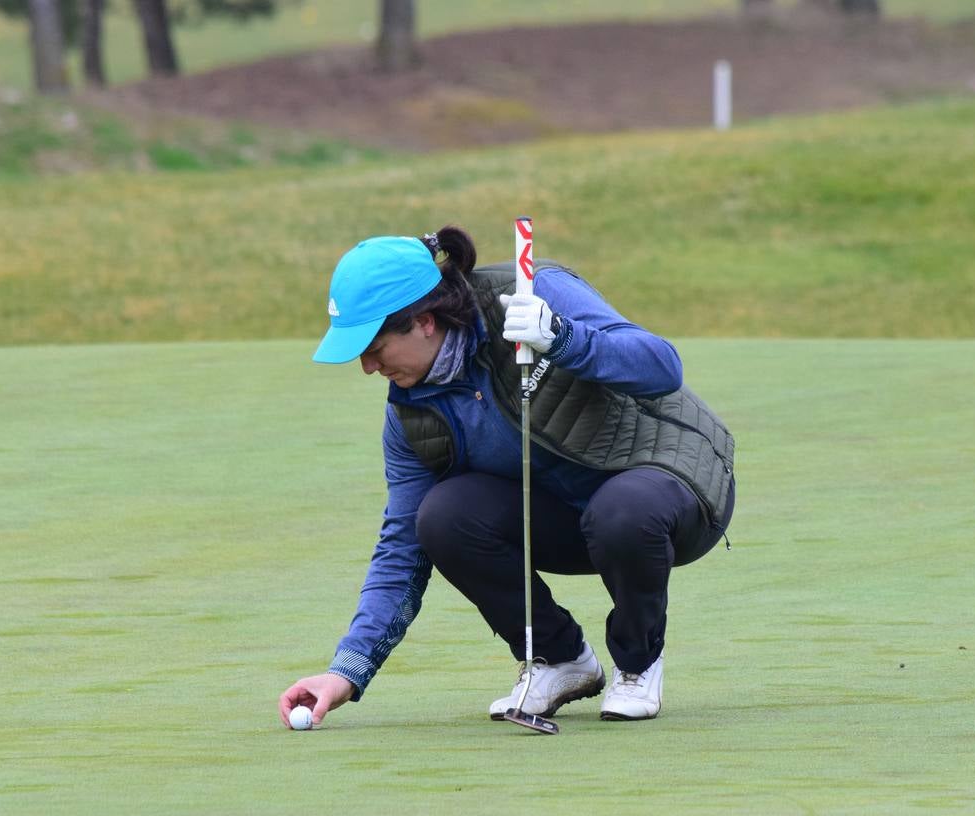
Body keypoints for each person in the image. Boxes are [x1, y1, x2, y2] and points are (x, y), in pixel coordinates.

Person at [277, 225, 734, 728]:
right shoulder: (410, 413)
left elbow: (662, 367)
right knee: (443, 517)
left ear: (424, 322)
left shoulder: (533, 294)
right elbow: (402, 546)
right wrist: (347, 671)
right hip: (570, 520)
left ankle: (638, 663)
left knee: (622, 511)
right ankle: (560, 660)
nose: (367, 366)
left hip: (672, 492)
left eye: (375, 346)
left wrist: (562, 339)